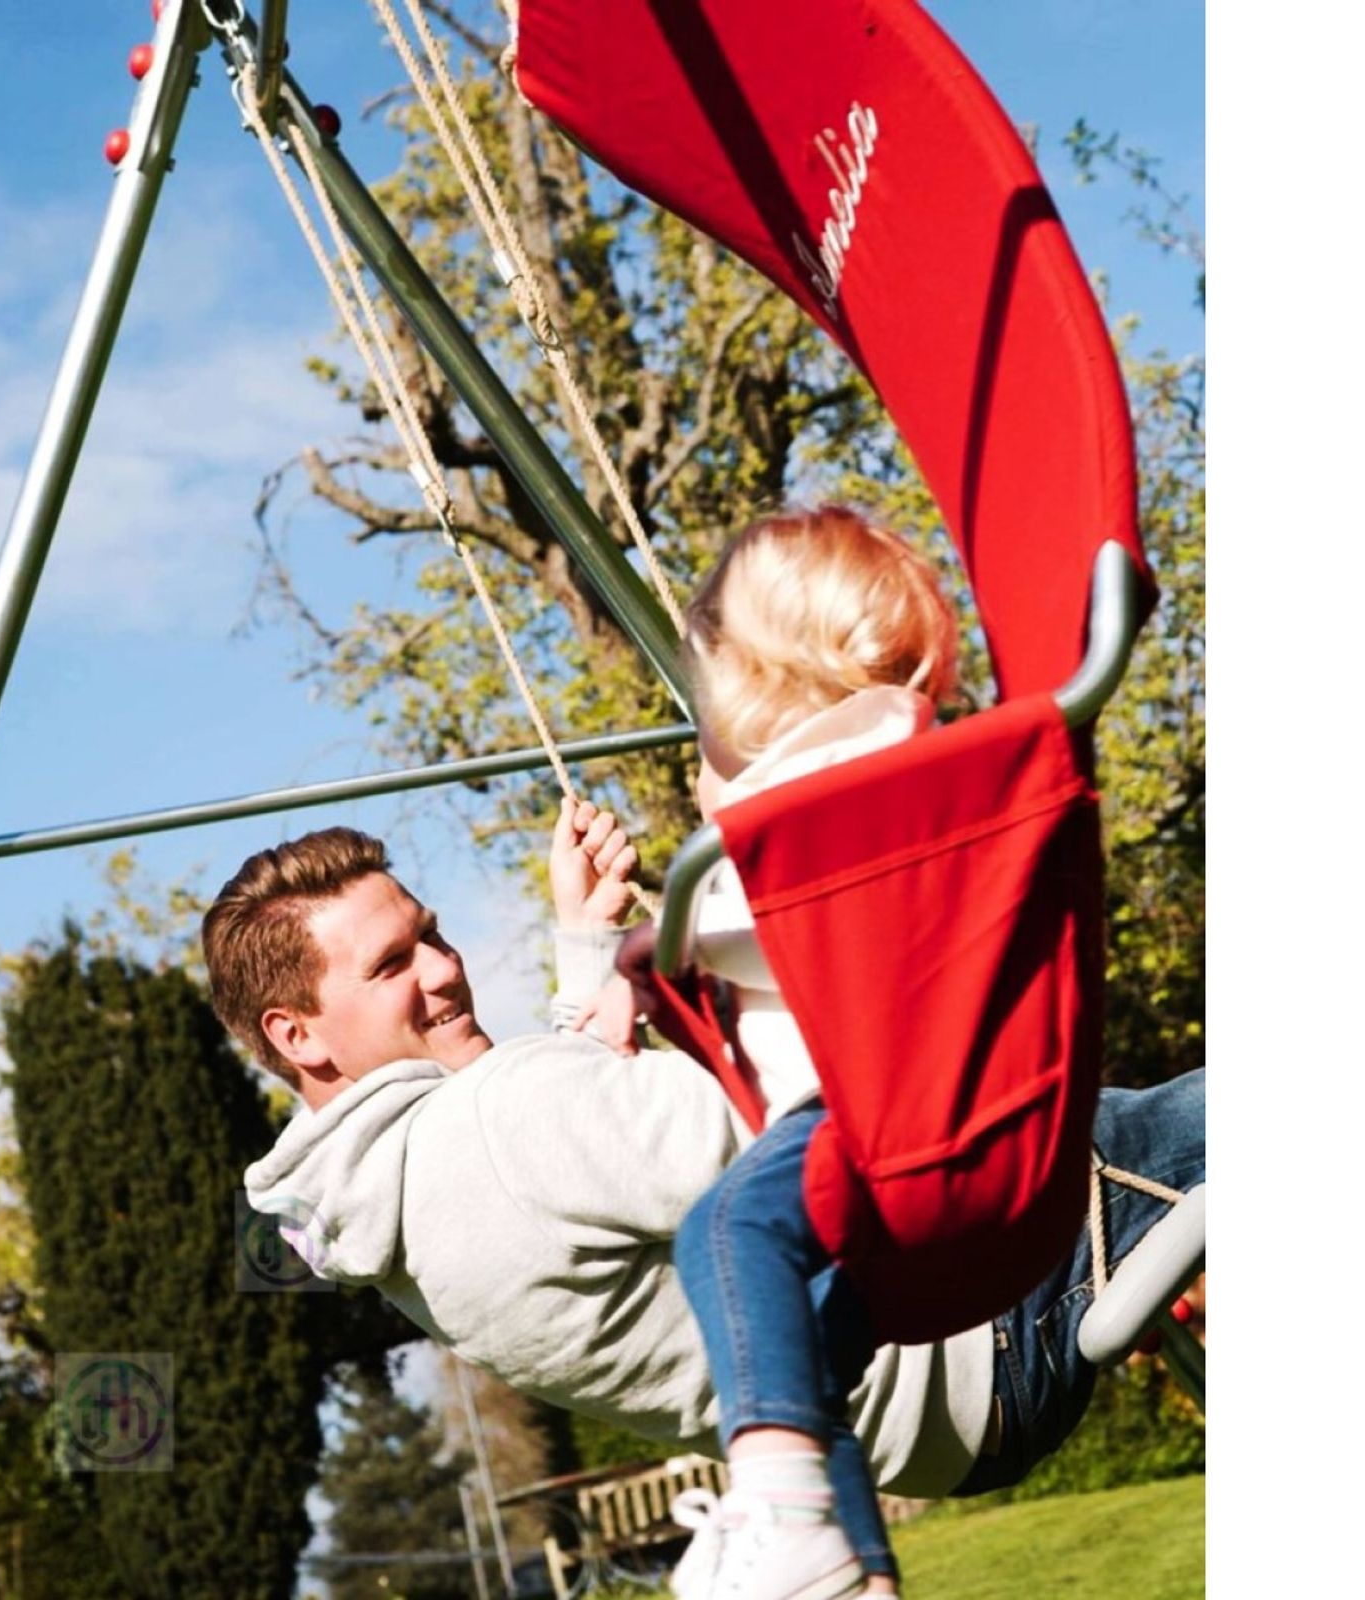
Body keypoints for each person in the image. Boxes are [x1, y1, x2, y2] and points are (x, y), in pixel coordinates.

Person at [202, 815, 1204, 1596]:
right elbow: (785, 1112)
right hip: (983, 1316)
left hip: (933, 1431)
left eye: (431, 933)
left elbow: (579, 1166)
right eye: (390, 964)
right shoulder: (494, 1121)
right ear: (298, 1035)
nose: (443, 967)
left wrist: (585, 954)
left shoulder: (373, 1206)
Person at [576, 509, 959, 1599]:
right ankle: (849, 1572)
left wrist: (640, 947)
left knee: (729, 1225)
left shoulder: (836, 791)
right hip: (947, 1115)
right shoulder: (919, 751)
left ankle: (787, 1515)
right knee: (795, 1366)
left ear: (765, 682)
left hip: (866, 1117)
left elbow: (788, 911)